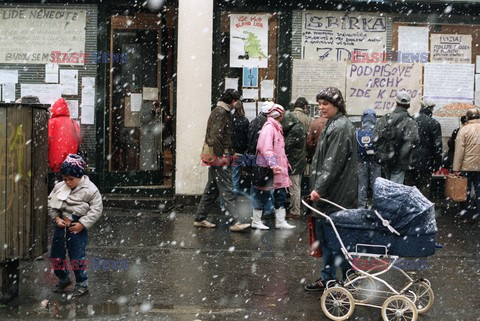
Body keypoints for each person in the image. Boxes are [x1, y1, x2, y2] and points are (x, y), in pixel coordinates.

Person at [304, 87, 357, 291]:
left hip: (333, 196)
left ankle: (347, 277)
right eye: (319, 103)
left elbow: (332, 163)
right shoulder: (334, 124)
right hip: (331, 195)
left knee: (333, 241)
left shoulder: (340, 127)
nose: (321, 107)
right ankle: (330, 277)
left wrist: (319, 189)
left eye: (325, 104)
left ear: (337, 104)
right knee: (328, 240)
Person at [194, 89, 251, 232]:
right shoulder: (221, 112)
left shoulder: (221, 111)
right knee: (228, 189)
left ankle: (200, 218)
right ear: (232, 100)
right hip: (219, 158)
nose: (237, 103)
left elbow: (219, 136)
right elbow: (215, 137)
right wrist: (221, 156)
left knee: (212, 189)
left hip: (217, 156)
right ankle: (234, 222)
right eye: (237, 100)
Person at [48, 154, 103, 297]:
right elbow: (51, 204)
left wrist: (82, 224)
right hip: (61, 226)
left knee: (77, 256)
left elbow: (96, 209)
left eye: (71, 179)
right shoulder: (60, 187)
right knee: (56, 256)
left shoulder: (91, 189)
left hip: (77, 226)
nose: (67, 182)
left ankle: (82, 283)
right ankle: (64, 278)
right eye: (64, 179)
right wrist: (56, 219)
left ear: (79, 176)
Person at [251, 104, 295, 230]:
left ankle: (280, 221)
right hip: (269, 169)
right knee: (262, 194)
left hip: (277, 168)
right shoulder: (270, 128)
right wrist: (274, 164)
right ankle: (256, 220)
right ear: (279, 115)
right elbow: (265, 148)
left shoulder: (276, 128)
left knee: (280, 194)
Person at [373, 91, 419, 184]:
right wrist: (400, 156)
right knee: (395, 188)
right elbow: (413, 141)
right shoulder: (411, 122)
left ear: (396, 103)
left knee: (388, 184)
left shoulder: (384, 118)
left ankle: (387, 198)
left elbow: (374, 138)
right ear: (408, 105)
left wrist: (385, 152)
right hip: (400, 162)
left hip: (386, 159)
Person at [406, 100, 442, 198]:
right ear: (431, 109)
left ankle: (409, 209)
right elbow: (437, 146)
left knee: (410, 187)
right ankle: (422, 209)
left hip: (410, 158)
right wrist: (437, 163)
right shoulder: (434, 123)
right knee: (424, 187)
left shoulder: (411, 120)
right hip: (427, 160)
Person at [247, 101, 275, 218]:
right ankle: (268, 209)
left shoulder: (254, 121)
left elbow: (249, 139)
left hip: (252, 155)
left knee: (256, 184)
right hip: (262, 156)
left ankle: (254, 208)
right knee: (267, 184)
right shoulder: (268, 124)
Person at [453, 108, 480, 219]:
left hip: (466, 166)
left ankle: (464, 213)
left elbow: (459, 151)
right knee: (479, 191)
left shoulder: (464, 130)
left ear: (468, 117)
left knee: (464, 191)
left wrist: (456, 168)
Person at [282, 109, 307, 219]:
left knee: (294, 188)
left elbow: (286, 145)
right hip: (298, 160)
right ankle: (296, 208)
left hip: (294, 162)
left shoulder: (295, 130)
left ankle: (295, 211)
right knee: (296, 187)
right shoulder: (299, 126)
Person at [48, 98, 81, 174]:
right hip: (71, 165)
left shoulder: (51, 123)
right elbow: (79, 140)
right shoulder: (74, 123)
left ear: (54, 110)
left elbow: (46, 142)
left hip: (54, 165)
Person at [357, 109, 381, 209]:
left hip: (362, 161)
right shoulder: (377, 131)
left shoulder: (358, 132)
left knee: (362, 185)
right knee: (376, 184)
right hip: (375, 160)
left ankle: (361, 206)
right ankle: (376, 206)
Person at [231, 101, 250, 196]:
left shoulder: (230, 119)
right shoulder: (245, 121)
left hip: (229, 152)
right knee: (235, 177)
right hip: (239, 152)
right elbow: (247, 137)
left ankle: (224, 203)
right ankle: (232, 201)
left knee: (226, 180)